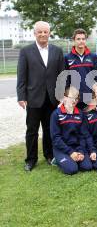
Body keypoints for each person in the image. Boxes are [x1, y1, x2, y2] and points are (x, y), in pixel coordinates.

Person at [17, 21, 65, 171]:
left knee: (49, 129)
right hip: (33, 98)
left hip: (52, 98)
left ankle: (49, 155)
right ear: (35, 33)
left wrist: (61, 95)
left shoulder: (57, 51)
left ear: (49, 33)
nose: (43, 34)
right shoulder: (26, 51)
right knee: (32, 130)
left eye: (45, 32)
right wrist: (21, 96)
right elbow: (22, 76)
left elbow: (62, 75)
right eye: (40, 32)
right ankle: (31, 159)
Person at [50, 87, 92, 175]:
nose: (74, 101)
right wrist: (70, 153)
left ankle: (72, 158)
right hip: (62, 149)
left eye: (76, 98)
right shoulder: (56, 114)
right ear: (64, 98)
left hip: (76, 147)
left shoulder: (80, 114)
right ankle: (57, 159)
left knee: (87, 167)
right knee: (72, 169)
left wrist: (80, 151)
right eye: (71, 98)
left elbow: (83, 135)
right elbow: (56, 138)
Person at [64, 28, 97, 110]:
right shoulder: (67, 58)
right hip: (74, 97)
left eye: (83, 39)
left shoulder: (93, 57)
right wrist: (67, 96)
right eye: (78, 39)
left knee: (89, 121)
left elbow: (96, 78)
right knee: (76, 122)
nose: (81, 41)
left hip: (89, 96)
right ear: (74, 40)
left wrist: (95, 95)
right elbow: (66, 80)